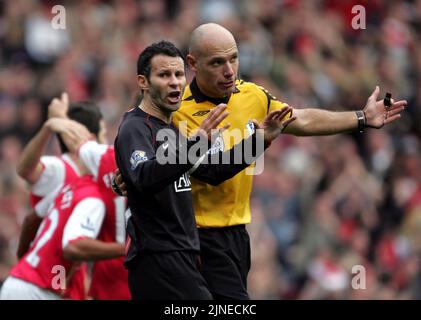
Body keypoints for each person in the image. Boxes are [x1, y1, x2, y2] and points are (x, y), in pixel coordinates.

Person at [170, 23, 408, 300]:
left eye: (234, 58)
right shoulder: (177, 111)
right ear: (192, 63)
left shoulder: (252, 96)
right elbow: (210, 171)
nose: (230, 70)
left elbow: (301, 118)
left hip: (235, 237)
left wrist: (360, 118)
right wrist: (260, 142)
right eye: (217, 62)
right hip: (193, 237)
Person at [114, 40, 295, 300]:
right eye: (164, 75)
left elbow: (212, 171)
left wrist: (261, 140)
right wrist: (196, 144)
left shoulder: (171, 131)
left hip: (183, 255)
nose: (175, 82)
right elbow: (143, 176)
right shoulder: (136, 126)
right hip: (157, 256)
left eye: (178, 74)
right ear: (143, 82)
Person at [14, 97, 130, 299]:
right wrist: (50, 127)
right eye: (103, 132)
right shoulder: (62, 168)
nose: (106, 139)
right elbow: (25, 172)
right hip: (43, 281)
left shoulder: (93, 180)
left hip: (54, 277)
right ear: (90, 137)